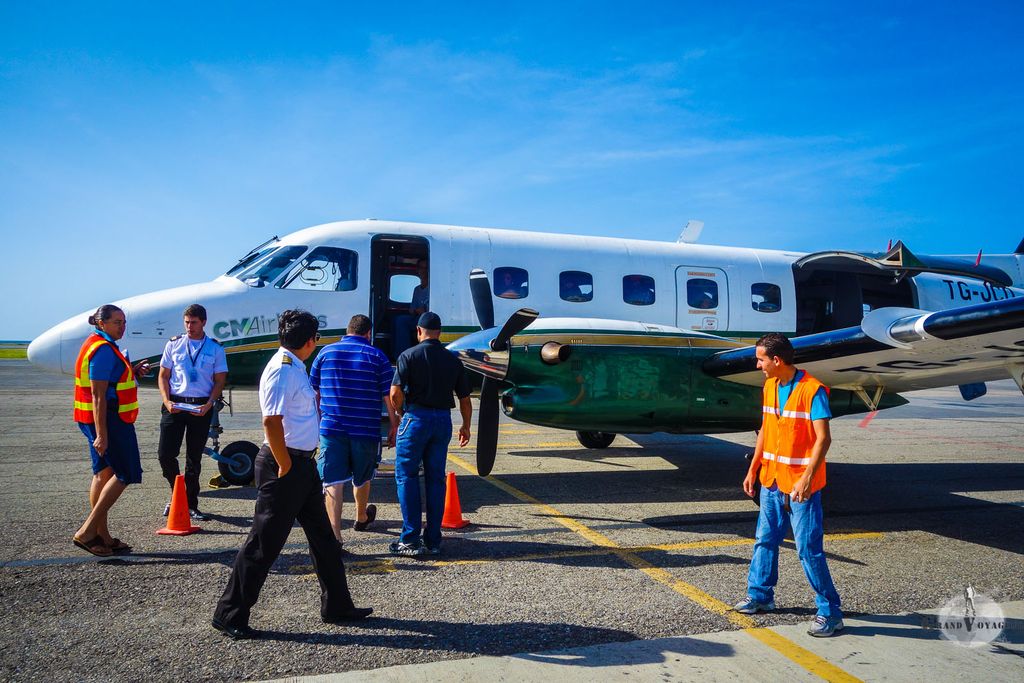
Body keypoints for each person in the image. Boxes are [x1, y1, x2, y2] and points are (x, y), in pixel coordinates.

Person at [212, 310, 371, 640]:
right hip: (284, 465)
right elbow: (272, 421)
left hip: (303, 466)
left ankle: (337, 605)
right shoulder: (283, 371)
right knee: (263, 544)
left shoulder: (295, 366)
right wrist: (284, 465)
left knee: (325, 539)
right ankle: (229, 613)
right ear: (311, 341)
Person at [734, 332, 844, 637]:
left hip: (800, 487)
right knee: (764, 541)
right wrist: (752, 469)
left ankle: (830, 612)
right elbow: (766, 432)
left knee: (809, 550)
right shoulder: (770, 387)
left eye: (760, 359)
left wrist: (807, 478)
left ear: (776, 360)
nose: (758, 365)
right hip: (771, 480)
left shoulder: (813, 390)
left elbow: (824, 439)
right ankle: (760, 596)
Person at [72, 304, 154, 557]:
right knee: (126, 472)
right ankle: (87, 531)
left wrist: (133, 370)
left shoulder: (95, 343)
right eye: (117, 322)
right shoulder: (104, 351)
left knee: (102, 474)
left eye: (124, 321)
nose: (123, 326)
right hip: (109, 420)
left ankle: (102, 535)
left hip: (92, 418)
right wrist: (102, 434)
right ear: (101, 323)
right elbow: (99, 396)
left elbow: (109, 383)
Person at [310, 314, 398, 547]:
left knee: (332, 481)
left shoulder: (325, 353)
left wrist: (316, 421)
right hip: (365, 429)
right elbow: (388, 397)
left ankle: (335, 536)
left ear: (347, 330)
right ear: (368, 333)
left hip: (332, 428)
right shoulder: (377, 356)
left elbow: (314, 392)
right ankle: (361, 517)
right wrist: (394, 425)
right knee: (362, 476)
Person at [388, 312, 472, 557]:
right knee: (436, 479)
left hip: (416, 417)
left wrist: (402, 412)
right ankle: (433, 540)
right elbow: (465, 400)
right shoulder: (453, 360)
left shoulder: (408, 356)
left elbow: (394, 393)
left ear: (418, 331)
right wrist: (466, 426)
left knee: (407, 476)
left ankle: (410, 539)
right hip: (442, 420)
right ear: (440, 332)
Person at [157, 303, 228, 521]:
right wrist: (167, 401)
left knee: (193, 458)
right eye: (186, 322)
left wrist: (209, 404)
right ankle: (176, 494)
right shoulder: (174, 345)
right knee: (165, 454)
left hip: (200, 407)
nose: (189, 326)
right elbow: (163, 376)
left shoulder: (215, 349)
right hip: (175, 405)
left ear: (204, 322)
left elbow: (219, 381)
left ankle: (191, 504)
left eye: (194, 322)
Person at [393, 261, 429, 358]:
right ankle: (400, 354)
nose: (424, 271)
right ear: (418, 270)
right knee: (398, 320)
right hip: (417, 318)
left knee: (401, 321)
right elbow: (412, 309)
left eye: (426, 268)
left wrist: (424, 310)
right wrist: (416, 310)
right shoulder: (417, 289)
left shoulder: (432, 288)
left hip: (428, 319)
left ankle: (406, 356)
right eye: (421, 268)